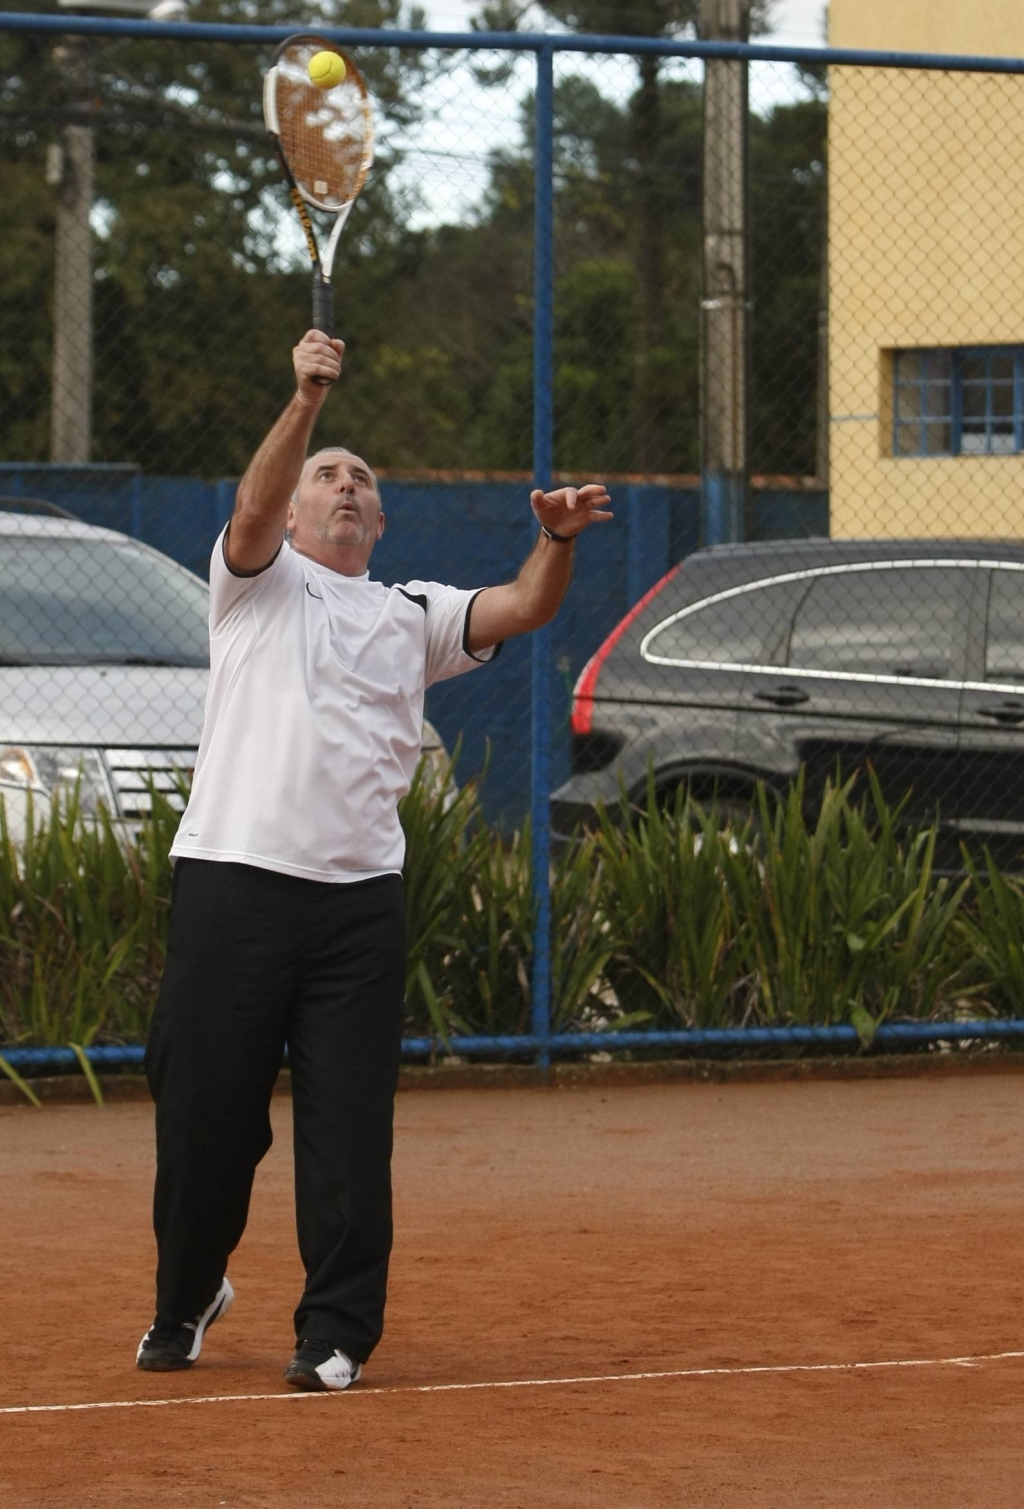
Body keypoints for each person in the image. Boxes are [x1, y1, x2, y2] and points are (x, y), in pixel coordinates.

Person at [135, 328, 613, 1392]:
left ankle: (336, 1332)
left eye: (360, 479)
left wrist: (557, 540)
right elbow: (251, 508)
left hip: (358, 907)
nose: (343, 485)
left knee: (350, 1130)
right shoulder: (251, 582)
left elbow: (526, 604)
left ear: (379, 521)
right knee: (205, 1120)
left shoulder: (414, 614)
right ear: (295, 512)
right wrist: (302, 401)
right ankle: (187, 1295)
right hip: (232, 883)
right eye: (326, 477)